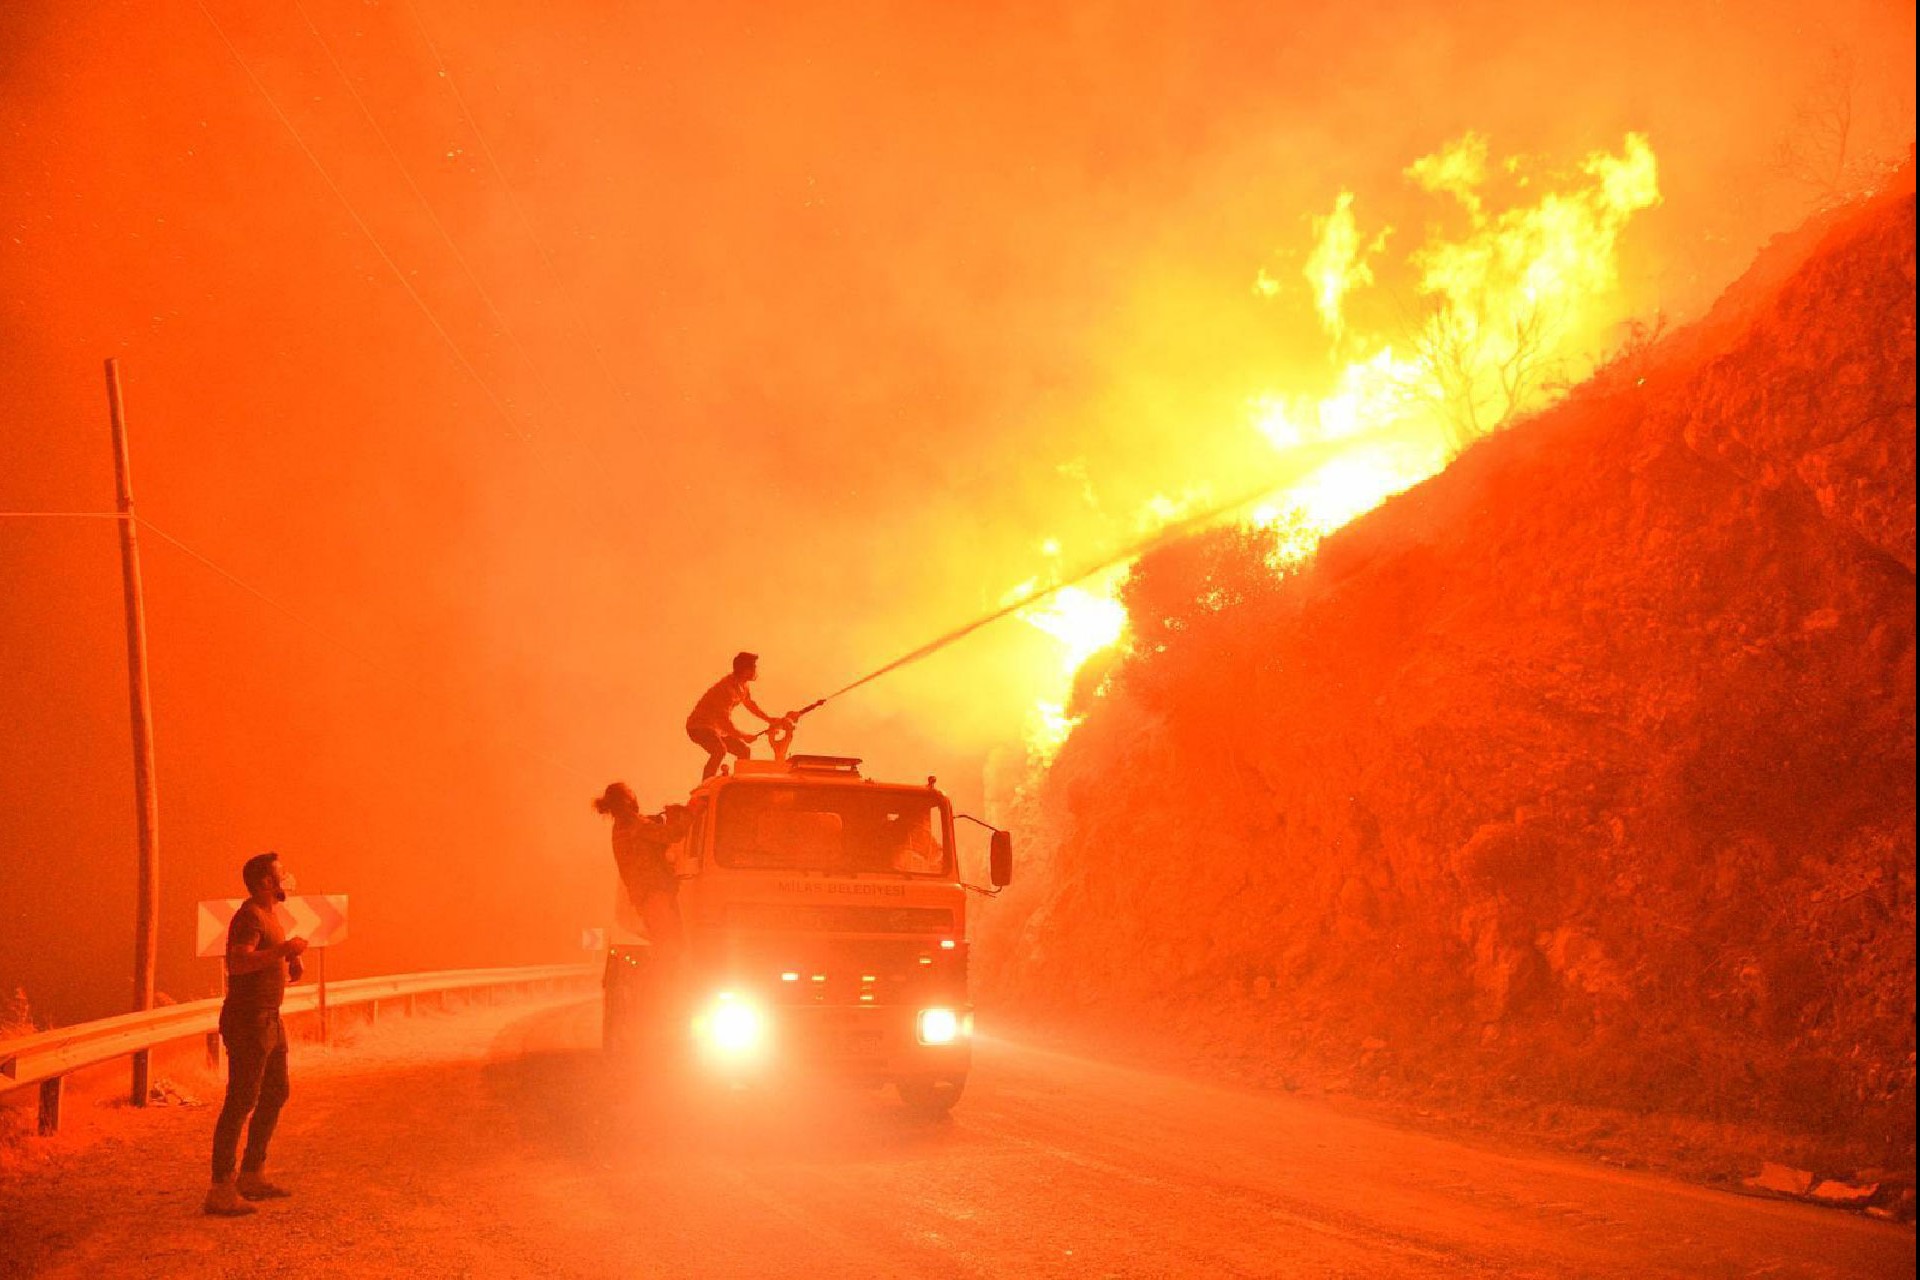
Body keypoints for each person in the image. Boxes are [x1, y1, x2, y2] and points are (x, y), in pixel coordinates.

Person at [204, 851, 308, 1217]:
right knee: (241, 1100)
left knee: (277, 1091)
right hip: (248, 1020)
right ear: (265, 882)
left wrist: (288, 960)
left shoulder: (270, 915)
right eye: (281, 874)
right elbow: (237, 961)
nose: (288, 879)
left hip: (269, 1018)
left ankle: (251, 1174)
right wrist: (282, 949)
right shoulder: (249, 915)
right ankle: (221, 1188)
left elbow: (263, 956)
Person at [594, 783, 692, 966]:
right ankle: (663, 989)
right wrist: (688, 814)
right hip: (654, 893)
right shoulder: (633, 824)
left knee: (666, 945)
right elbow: (671, 835)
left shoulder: (622, 827)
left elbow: (650, 840)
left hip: (645, 895)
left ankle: (661, 986)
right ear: (627, 800)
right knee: (671, 946)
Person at [685, 651, 784, 779]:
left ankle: (740, 781)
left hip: (716, 729)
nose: (755, 670)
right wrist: (743, 735)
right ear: (745, 670)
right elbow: (724, 722)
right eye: (753, 667)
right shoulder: (726, 689)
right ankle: (706, 783)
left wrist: (769, 719)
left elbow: (750, 704)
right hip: (699, 727)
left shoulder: (742, 686)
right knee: (719, 750)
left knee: (744, 751)